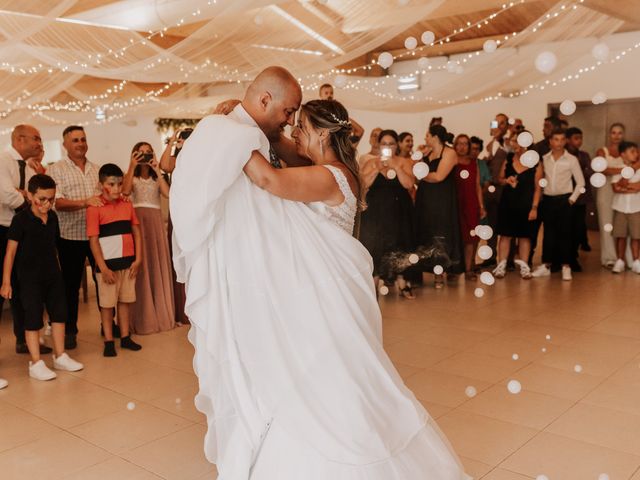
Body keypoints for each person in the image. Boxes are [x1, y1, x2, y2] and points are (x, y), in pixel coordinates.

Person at [170, 66, 469, 479]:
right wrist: (241, 119)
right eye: (289, 116)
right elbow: (276, 142)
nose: (293, 130)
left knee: (335, 378)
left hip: (328, 293)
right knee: (325, 377)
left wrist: (225, 133)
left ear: (323, 135)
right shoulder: (322, 164)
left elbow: (268, 179)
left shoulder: (332, 176)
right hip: (318, 289)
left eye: (301, 125)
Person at [1, 174, 84, 380]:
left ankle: (60, 355)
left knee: (59, 314)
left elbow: (54, 247)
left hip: (52, 275)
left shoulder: (53, 217)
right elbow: (10, 252)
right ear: (29, 196)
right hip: (29, 278)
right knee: (33, 318)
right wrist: (6, 282)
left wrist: (58, 271)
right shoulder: (20, 220)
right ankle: (36, 362)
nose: (47, 204)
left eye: (51, 199)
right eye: (41, 199)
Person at [48, 126, 104, 349]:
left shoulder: (96, 169)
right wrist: (85, 202)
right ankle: (70, 331)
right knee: (70, 287)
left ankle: (108, 324)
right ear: (65, 145)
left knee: (103, 281)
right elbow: (57, 203)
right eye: (75, 140)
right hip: (69, 237)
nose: (80, 143)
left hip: (96, 237)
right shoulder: (56, 170)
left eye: (83, 139)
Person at [0, 124, 53, 355]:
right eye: (36, 138)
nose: (40, 144)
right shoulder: (3, 160)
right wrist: (28, 202)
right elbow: (5, 194)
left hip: (27, 233)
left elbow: (38, 196)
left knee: (26, 287)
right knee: (4, 287)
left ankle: (25, 339)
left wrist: (27, 198)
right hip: (3, 230)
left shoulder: (30, 169)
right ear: (20, 139)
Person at [87, 164, 143, 357]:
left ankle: (125, 337)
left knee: (125, 301)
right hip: (107, 267)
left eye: (120, 184)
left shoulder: (127, 204)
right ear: (101, 184)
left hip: (127, 263)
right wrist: (102, 267)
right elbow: (93, 241)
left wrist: (138, 259)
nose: (117, 189)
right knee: (107, 304)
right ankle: (109, 341)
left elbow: (136, 232)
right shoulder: (94, 209)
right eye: (112, 184)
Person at [122, 142, 175, 334]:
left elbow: (167, 194)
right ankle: (142, 316)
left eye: (148, 152)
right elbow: (126, 191)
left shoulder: (155, 177)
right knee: (142, 266)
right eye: (140, 153)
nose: (144, 155)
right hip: (137, 221)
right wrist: (132, 165)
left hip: (154, 222)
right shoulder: (131, 175)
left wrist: (157, 169)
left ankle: (160, 312)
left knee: (156, 263)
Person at [359, 130, 416, 298]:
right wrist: (378, 168)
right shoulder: (371, 162)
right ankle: (374, 283)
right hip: (376, 210)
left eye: (391, 143)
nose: (388, 146)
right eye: (384, 143)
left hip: (399, 209)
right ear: (379, 145)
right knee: (376, 244)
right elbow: (363, 185)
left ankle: (402, 282)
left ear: (397, 145)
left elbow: (409, 184)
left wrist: (396, 167)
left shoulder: (403, 162)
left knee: (400, 243)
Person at [414, 125, 464, 287]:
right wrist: (419, 156)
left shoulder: (449, 153)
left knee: (441, 233)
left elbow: (439, 176)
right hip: (425, 196)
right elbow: (415, 172)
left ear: (435, 136)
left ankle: (440, 273)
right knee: (426, 230)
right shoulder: (427, 152)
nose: (425, 139)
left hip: (442, 198)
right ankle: (424, 269)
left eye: (427, 135)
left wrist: (420, 172)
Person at [532, 129, 585, 281]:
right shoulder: (545, 159)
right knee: (548, 234)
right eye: (556, 139)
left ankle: (566, 266)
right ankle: (546, 265)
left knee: (565, 234)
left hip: (565, 200)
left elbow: (580, 182)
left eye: (562, 139)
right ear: (550, 141)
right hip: (548, 200)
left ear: (566, 141)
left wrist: (571, 199)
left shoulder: (571, 160)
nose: (559, 143)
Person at [493, 133, 543, 279]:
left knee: (524, 237)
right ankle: (501, 266)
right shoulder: (509, 159)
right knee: (505, 235)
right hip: (508, 202)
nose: (513, 143)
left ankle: (524, 267)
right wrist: (506, 181)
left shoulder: (535, 162)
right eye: (513, 141)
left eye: (516, 141)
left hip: (526, 204)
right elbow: (499, 179)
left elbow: (538, 188)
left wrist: (534, 208)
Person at [529, 116, 563, 265]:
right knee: (532, 230)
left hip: (554, 195)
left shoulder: (563, 150)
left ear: (555, 128)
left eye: (547, 126)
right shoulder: (537, 147)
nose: (543, 129)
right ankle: (528, 258)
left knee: (552, 230)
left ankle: (550, 260)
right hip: (539, 194)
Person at [453, 134, 485, 279]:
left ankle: (468, 269)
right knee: (456, 236)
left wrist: (481, 205)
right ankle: (453, 269)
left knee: (471, 238)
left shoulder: (474, 162)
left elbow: (477, 186)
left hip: (471, 202)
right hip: (455, 202)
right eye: (459, 143)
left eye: (465, 144)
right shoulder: (452, 160)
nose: (462, 147)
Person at [595, 123, 626, 268]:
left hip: (624, 190)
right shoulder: (602, 151)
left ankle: (625, 257)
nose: (617, 136)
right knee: (606, 224)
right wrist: (625, 169)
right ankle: (609, 258)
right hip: (605, 189)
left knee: (624, 224)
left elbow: (636, 166)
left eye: (620, 133)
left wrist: (613, 170)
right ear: (609, 134)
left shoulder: (628, 150)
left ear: (623, 135)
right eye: (614, 132)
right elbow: (602, 169)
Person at [482, 113, 510, 266]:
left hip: (504, 190)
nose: (498, 126)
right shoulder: (488, 145)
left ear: (507, 127)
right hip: (489, 191)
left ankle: (508, 260)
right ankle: (490, 257)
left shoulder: (509, 144)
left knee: (507, 225)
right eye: (496, 123)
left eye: (502, 123)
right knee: (490, 226)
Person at [611, 141, 640, 274]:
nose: (636, 154)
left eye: (636, 151)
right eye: (632, 152)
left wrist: (627, 187)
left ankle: (636, 261)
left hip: (636, 208)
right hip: (620, 207)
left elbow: (638, 187)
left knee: (636, 236)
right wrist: (630, 186)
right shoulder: (618, 168)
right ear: (623, 155)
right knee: (620, 235)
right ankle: (620, 261)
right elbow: (616, 188)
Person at [565, 127, 593, 267]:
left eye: (580, 138)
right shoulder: (563, 155)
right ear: (568, 139)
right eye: (576, 138)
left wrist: (578, 170)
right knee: (565, 228)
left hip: (580, 198)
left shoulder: (584, 155)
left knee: (577, 227)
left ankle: (573, 256)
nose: (579, 141)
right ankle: (563, 256)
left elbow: (589, 172)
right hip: (565, 197)